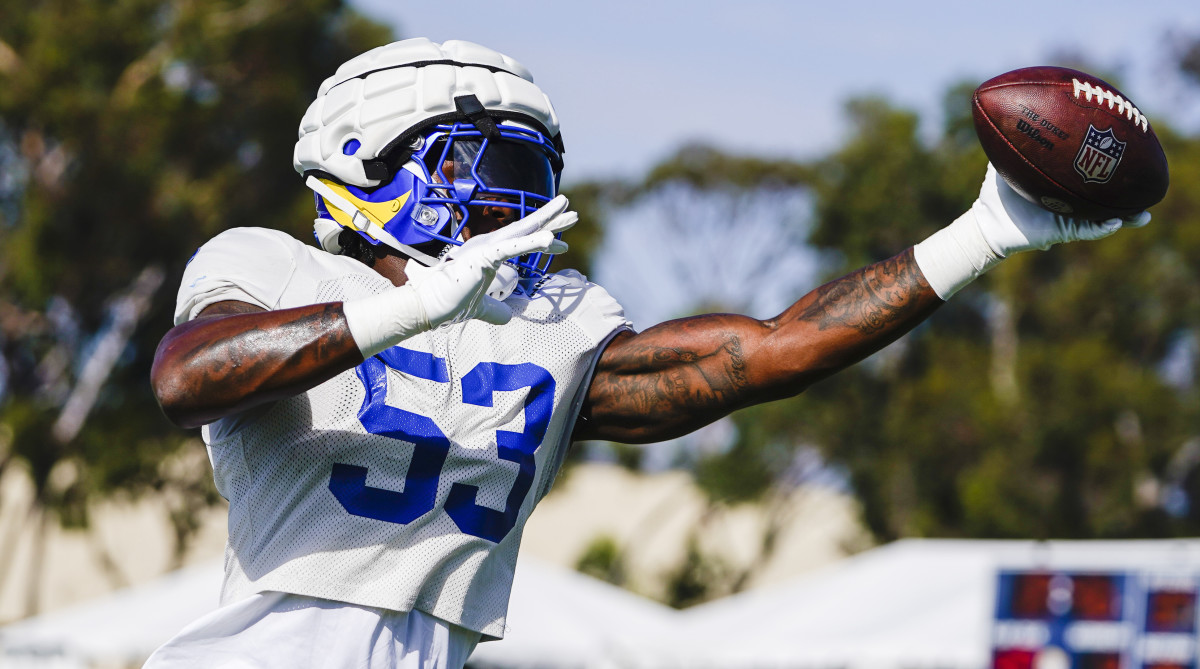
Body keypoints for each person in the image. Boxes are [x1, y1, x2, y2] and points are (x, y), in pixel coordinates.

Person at [145, 38, 1148, 668]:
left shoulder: (551, 322)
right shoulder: (268, 265)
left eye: (530, 173)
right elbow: (188, 378)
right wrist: (407, 311)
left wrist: (985, 232)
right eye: (482, 165)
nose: (514, 200)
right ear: (364, 166)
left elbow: (763, 354)